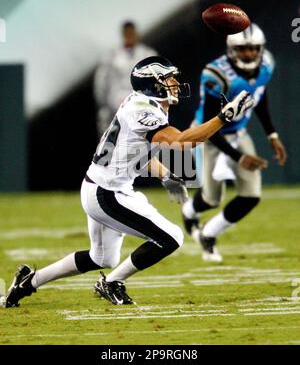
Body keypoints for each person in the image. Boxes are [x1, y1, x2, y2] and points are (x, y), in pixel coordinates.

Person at [1, 56, 253, 308]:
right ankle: (111, 283)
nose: (175, 82)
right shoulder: (142, 109)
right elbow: (181, 141)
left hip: (99, 186)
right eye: (167, 78)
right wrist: (223, 117)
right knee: (172, 236)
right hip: (107, 193)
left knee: (101, 257)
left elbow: (134, 152)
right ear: (152, 84)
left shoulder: (142, 104)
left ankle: (28, 282)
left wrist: (166, 175)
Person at [182, 23, 287, 263]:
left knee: (251, 195)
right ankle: (189, 211)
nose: (249, 54)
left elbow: (257, 96)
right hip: (207, 135)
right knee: (211, 199)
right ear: (231, 50)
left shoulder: (266, 64)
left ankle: (208, 234)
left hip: (238, 133)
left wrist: (272, 135)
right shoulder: (215, 75)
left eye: (253, 49)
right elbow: (210, 126)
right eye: (242, 49)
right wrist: (240, 157)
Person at [94, 21, 157, 137]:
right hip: (118, 104)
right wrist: (105, 105)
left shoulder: (147, 54)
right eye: (126, 34)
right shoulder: (111, 57)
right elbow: (101, 85)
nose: (129, 37)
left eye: (131, 33)